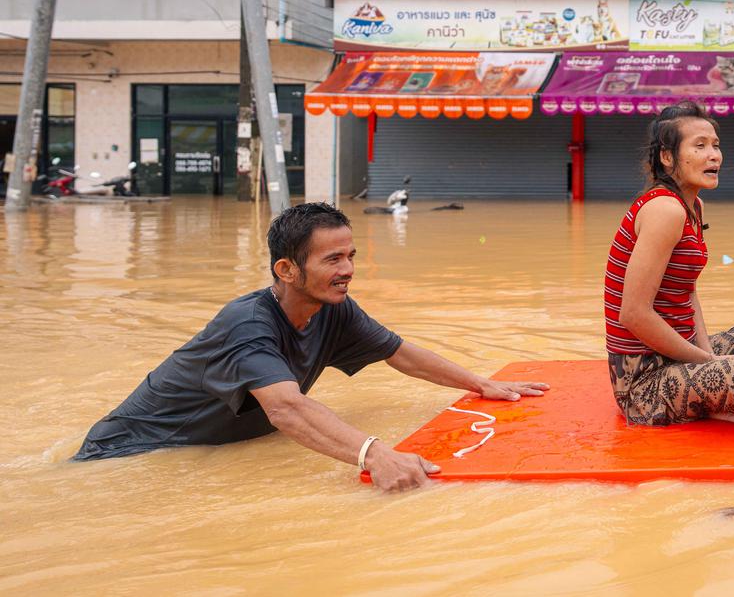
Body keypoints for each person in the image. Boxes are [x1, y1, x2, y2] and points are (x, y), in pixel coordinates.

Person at [73, 202, 548, 491]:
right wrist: (375, 454)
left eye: (351, 256)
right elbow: (286, 409)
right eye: (333, 259)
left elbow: (400, 354)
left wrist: (481, 383)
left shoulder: (333, 308)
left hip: (200, 450)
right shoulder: (247, 324)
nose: (348, 269)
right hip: (131, 455)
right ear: (286, 270)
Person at [603, 101, 734, 427]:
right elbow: (633, 314)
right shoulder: (664, 210)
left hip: (682, 352)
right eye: (700, 146)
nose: (714, 155)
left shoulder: (694, 206)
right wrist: (710, 363)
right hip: (644, 384)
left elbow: (688, 294)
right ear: (667, 157)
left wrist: (711, 360)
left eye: (715, 145)